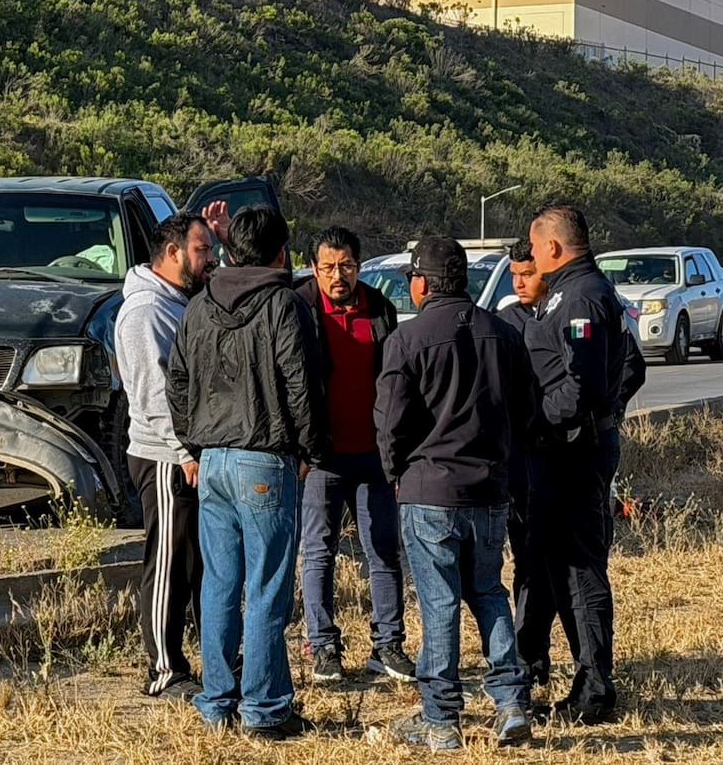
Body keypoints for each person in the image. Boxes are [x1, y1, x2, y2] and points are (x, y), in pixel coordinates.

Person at [166, 204, 327, 740]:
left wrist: (196, 442)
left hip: (212, 459)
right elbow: (300, 383)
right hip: (266, 455)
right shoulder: (284, 303)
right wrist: (307, 449)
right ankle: (265, 708)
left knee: (219, 585)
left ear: (231, 251)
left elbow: (178, 383)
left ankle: (218, 701)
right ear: (283, 253)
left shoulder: (198, 304)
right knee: (266, 588)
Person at [375, 237, 535, 750]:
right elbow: (528, 408)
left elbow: (390, 421)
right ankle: (510, 701)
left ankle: (441, 719)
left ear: (421, 283)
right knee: (488, 592)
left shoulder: (408, 339)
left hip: (429, 488)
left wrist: (396, 471)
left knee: (440, 601)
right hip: (489, 489)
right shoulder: (503, 334)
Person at [294, 226, 414, 684]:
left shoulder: (379, 307)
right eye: (327, 267)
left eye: (345, 265)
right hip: (322, 456)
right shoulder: (301, 307)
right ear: (314, 268)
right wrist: (303, 446)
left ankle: (388, 645)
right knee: (318, 552)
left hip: (374, 454)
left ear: (359, 266)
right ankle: (323, 646)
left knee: (383, 550)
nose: (337, 276)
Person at [523, 205, 629, 724]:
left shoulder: (581, 296)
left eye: (535, 246)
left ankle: (595, 684)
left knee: (580, 565)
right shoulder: (572, 292)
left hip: (574, 448)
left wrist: (537, 418)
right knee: (558, 563)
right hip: (566, 447)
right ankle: (581, 672)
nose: (532, 256)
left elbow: (584, 385)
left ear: (554, 248)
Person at [114, 212, 217, 700]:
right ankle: (163, 669)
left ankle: (201, 659)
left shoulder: (180, 301)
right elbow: (154, 395)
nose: (210, 260)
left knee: (195, 562)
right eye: (202, 251)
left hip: (187, 454)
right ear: (173, 253)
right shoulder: (146, 313)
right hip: (164, 456)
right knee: (169, 561)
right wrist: (183, 453)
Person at [496, 240, 557, 690]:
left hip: (565, 455)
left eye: (527, 274)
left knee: (558, 562)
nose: (519, 282)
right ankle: (528, 655)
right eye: (513, 274)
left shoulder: (566, 313)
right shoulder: (505, 324)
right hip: (519, 460)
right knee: (526, 561)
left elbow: (627, 365)